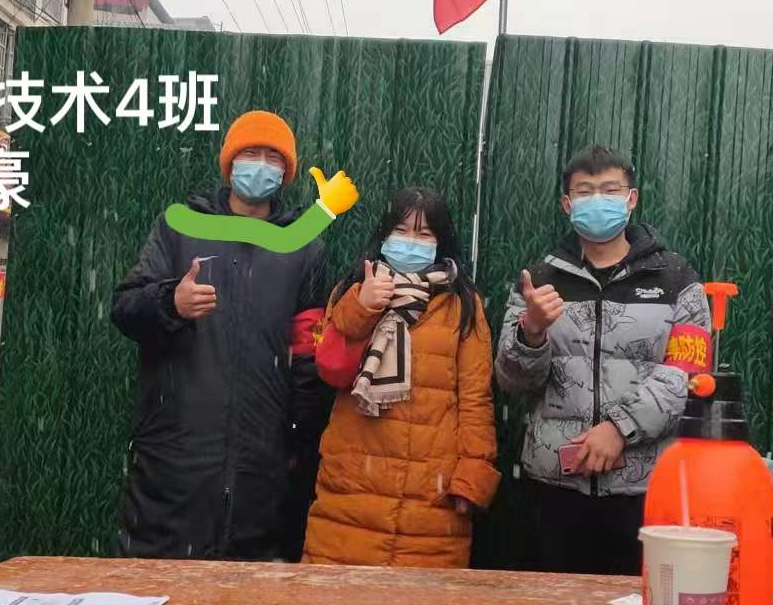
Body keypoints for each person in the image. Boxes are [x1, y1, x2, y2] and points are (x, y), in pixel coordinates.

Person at [110, 110, 330, 562]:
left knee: (246, 602)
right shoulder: (178, 227)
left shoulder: (304, 247)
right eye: (251, 153)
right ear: (229, 162)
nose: (261, 165)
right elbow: (125, 308)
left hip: (260, 477)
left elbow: (307, 358)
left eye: (273, 157)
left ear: (286, 172)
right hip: (173, 467)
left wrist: (295, 445)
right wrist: (170, 302)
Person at [495, 145, 709, 576]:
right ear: (567, 204)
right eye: (585, 191)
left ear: (631, 199)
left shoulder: (676, 278)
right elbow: (512, 380)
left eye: (610, 190)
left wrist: (619, 428)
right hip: (554, 490)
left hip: (645, 489)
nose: (598, 200)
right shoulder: (538, 280)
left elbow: (687, 373)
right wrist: (531, 332)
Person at [303, 189, 498, 567]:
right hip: (353, 487)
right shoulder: (353, 290)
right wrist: (363, 308)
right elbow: (332, 371)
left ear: (441, 243)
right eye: (402, 230)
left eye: (424, 234)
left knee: (422, 602)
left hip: (430, 494)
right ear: (384, 235)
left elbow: (476, 396)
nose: (411, 241)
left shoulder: (462, 304)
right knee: (337, 598)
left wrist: (472, 477)